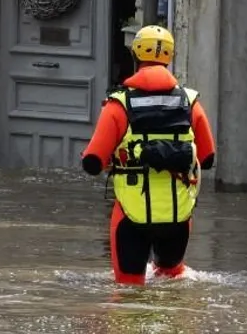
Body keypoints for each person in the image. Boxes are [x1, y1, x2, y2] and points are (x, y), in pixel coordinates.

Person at [81, 25, 216, 285]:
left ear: (135, 57)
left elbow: (92, 162)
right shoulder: (190, 102)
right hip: (178, 218)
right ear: (170, 58)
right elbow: (208, 158)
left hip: (131, 217)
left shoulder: (118, 104)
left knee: (129, 291)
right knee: (172, 282)